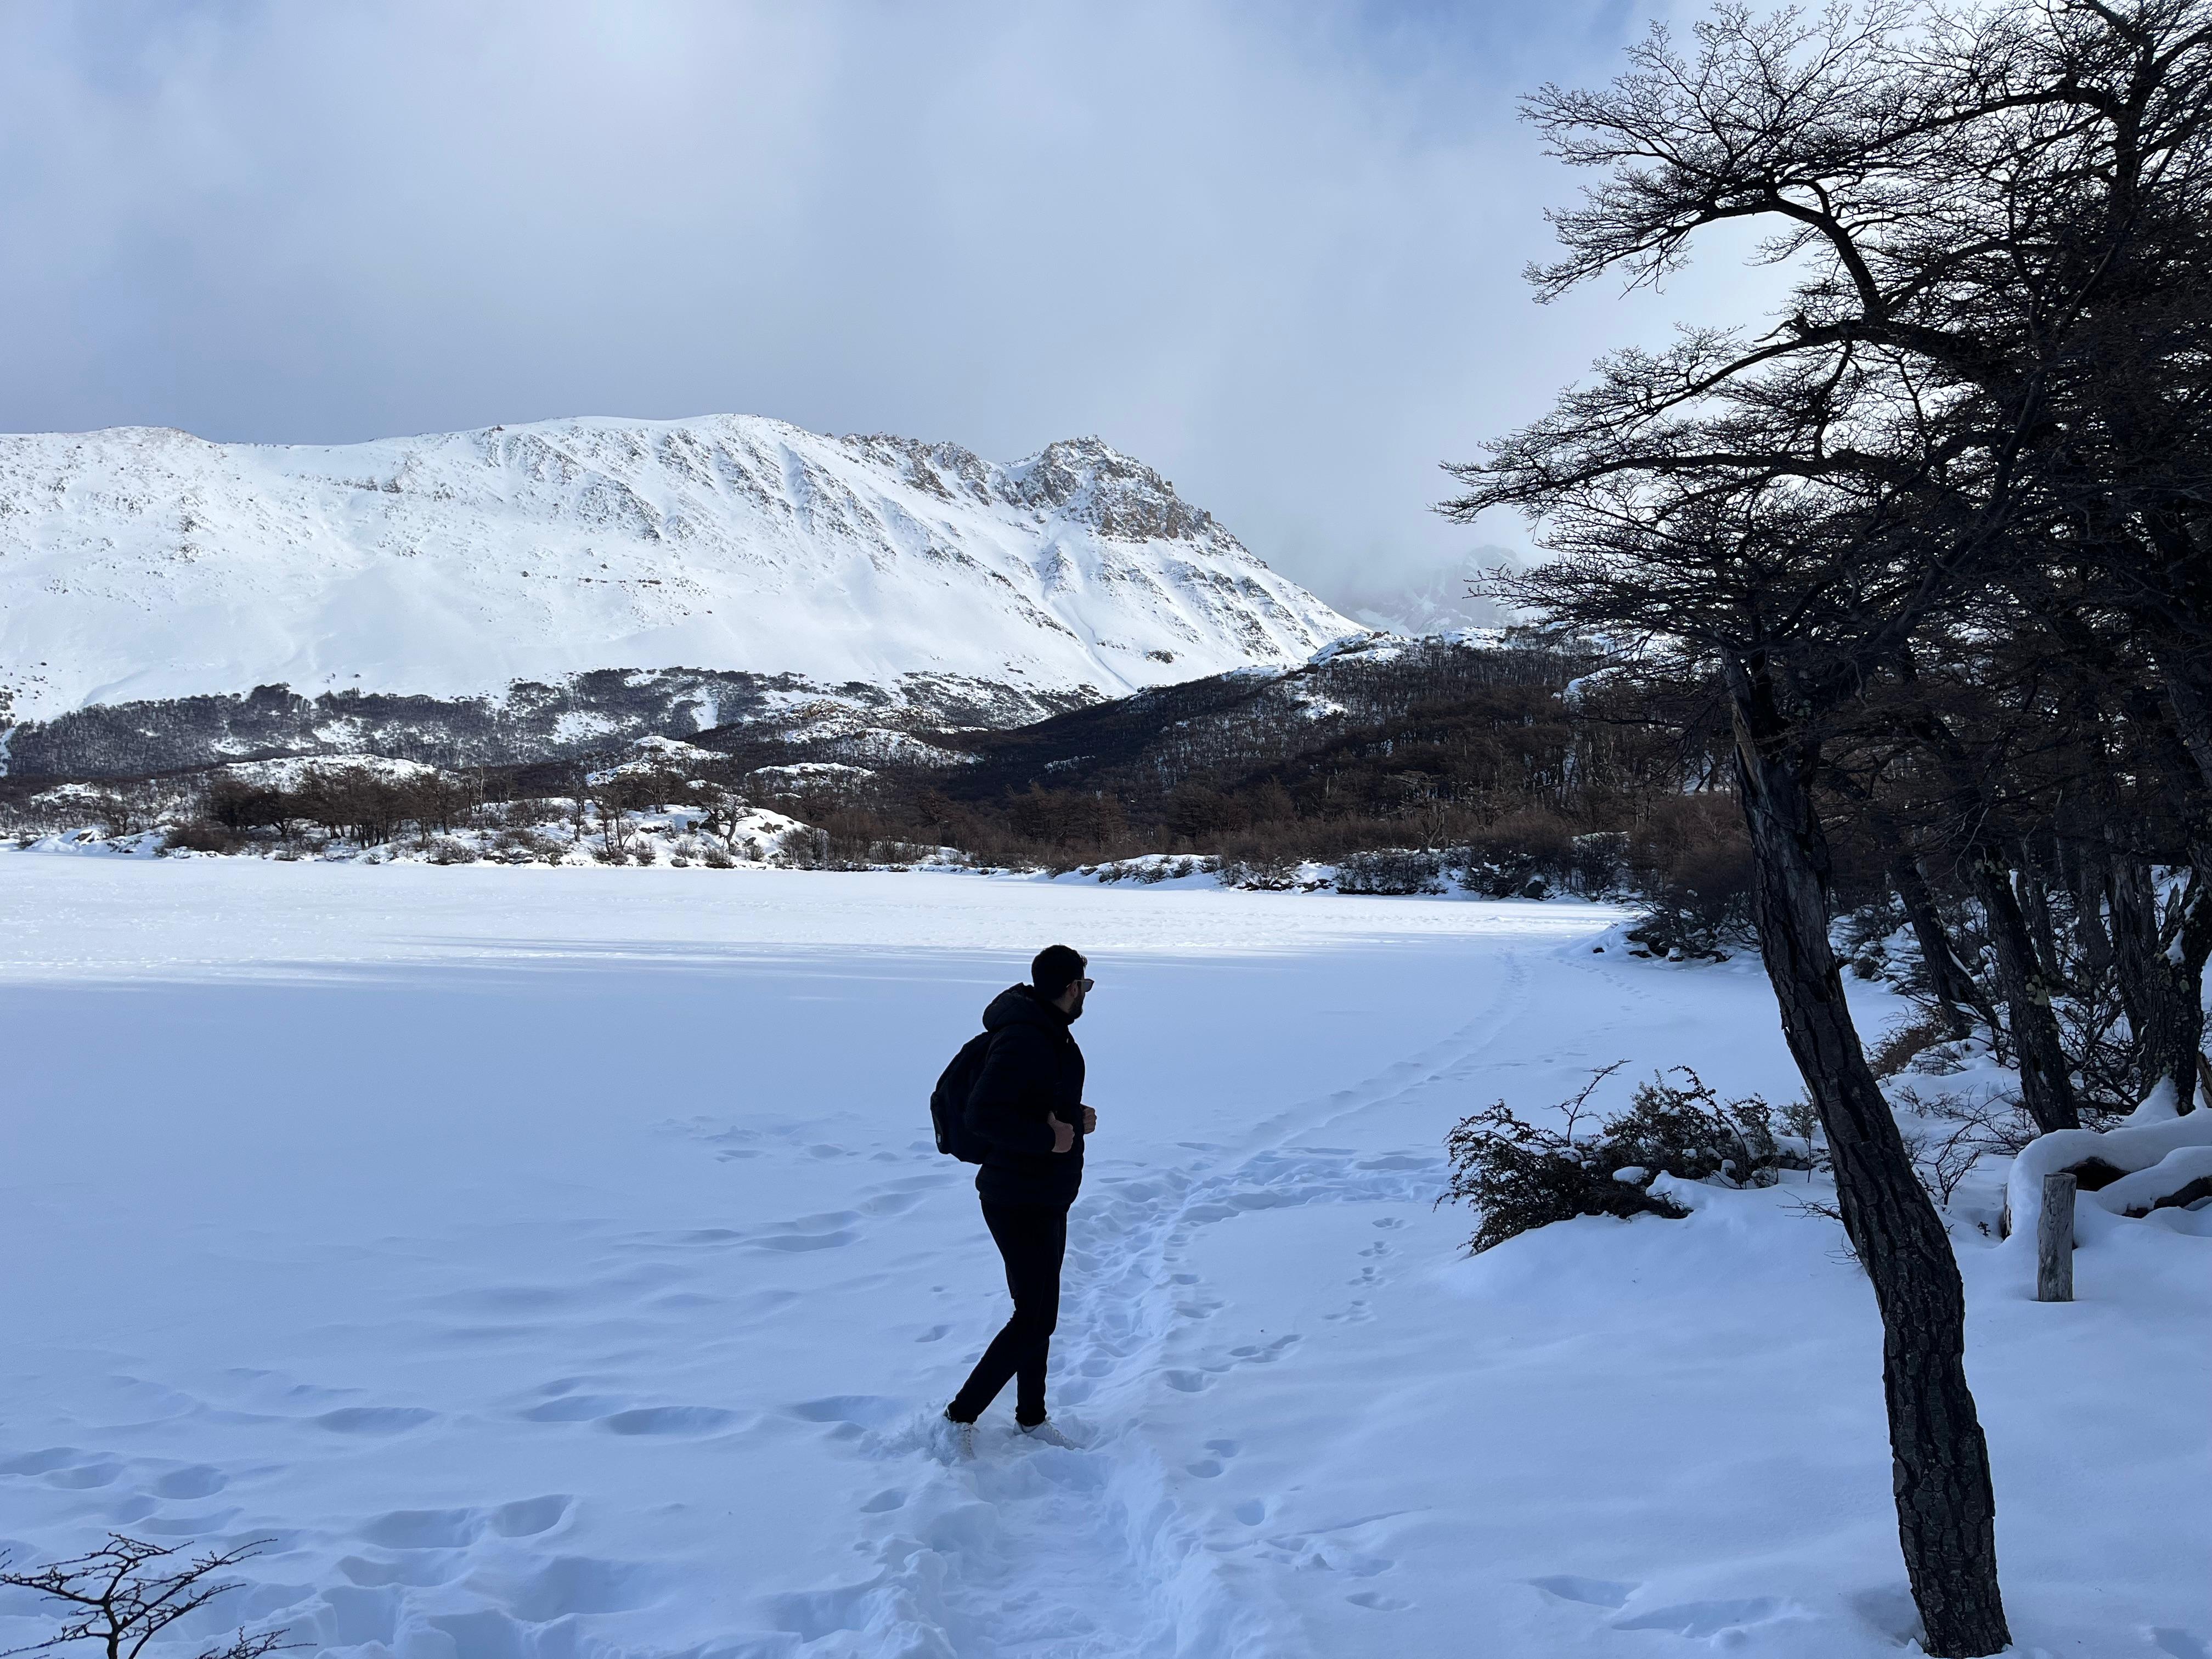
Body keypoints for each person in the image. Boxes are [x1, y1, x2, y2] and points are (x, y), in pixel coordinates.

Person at [942, 944, 1098, 1456]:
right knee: (1034, 1317)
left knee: (1038, 1311)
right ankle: (959, 1416)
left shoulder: (1044, 1029)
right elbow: (984, 1114)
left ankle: (1031, 1418)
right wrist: (1048, 1139)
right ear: (1072, 988)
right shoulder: (1025, 1037)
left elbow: (1037, 1101)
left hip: (1045, 1192)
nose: (1086, 996)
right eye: (1086, 987)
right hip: (1017, 1196)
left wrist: (1074, 1121)